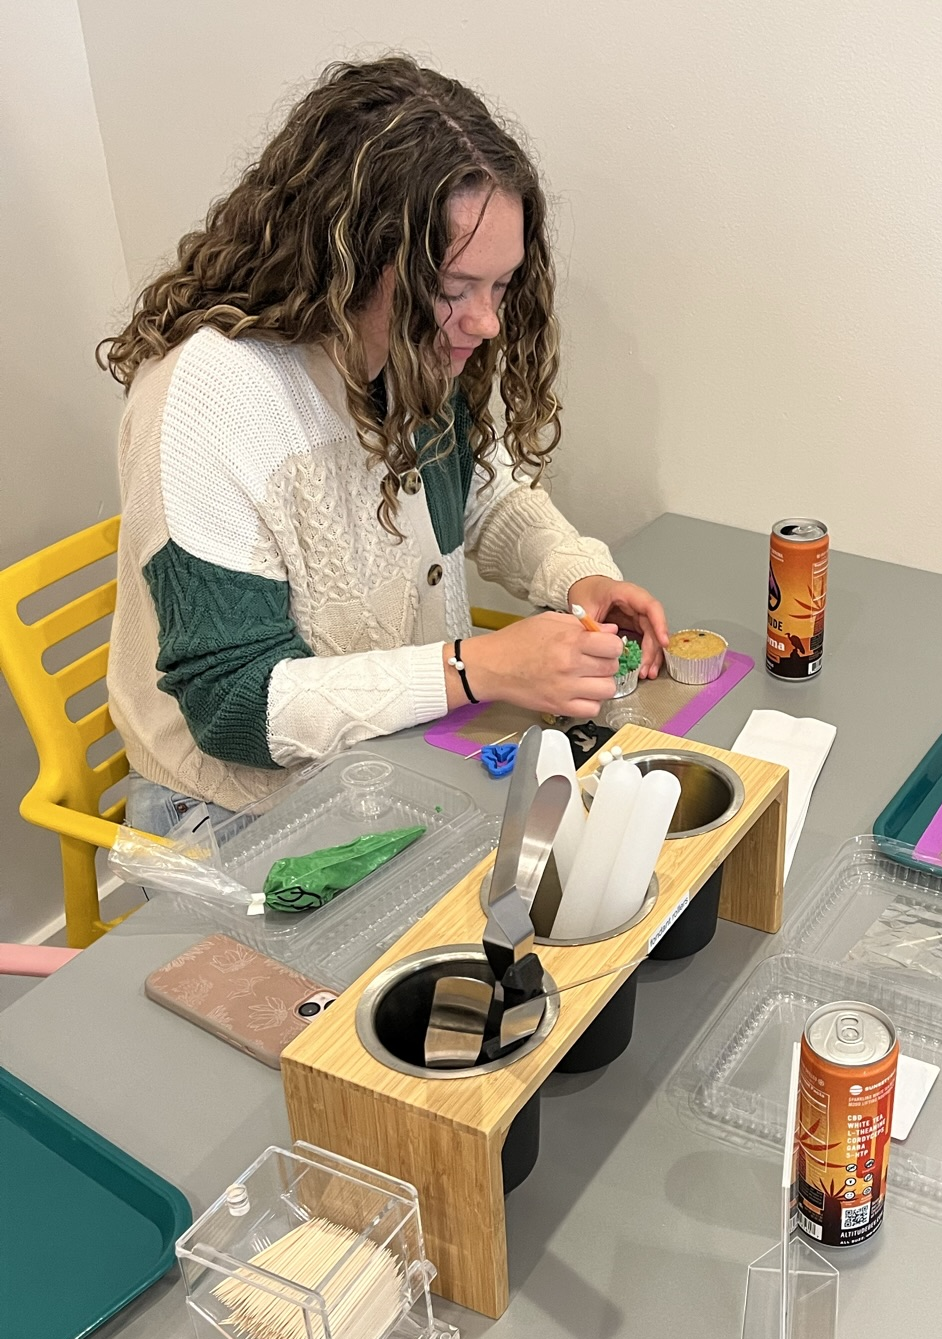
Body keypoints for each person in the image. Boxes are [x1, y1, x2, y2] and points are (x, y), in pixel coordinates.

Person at [101, 56, 668, 831]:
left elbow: (481, 494)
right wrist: (478, 669)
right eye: (453, 288)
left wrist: (574, 576)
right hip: (234, 811)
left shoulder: (402, 352)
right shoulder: (208, 397)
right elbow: (235, 706)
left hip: (392, 758)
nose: (488, 322)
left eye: (500, 287)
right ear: (347, 257)